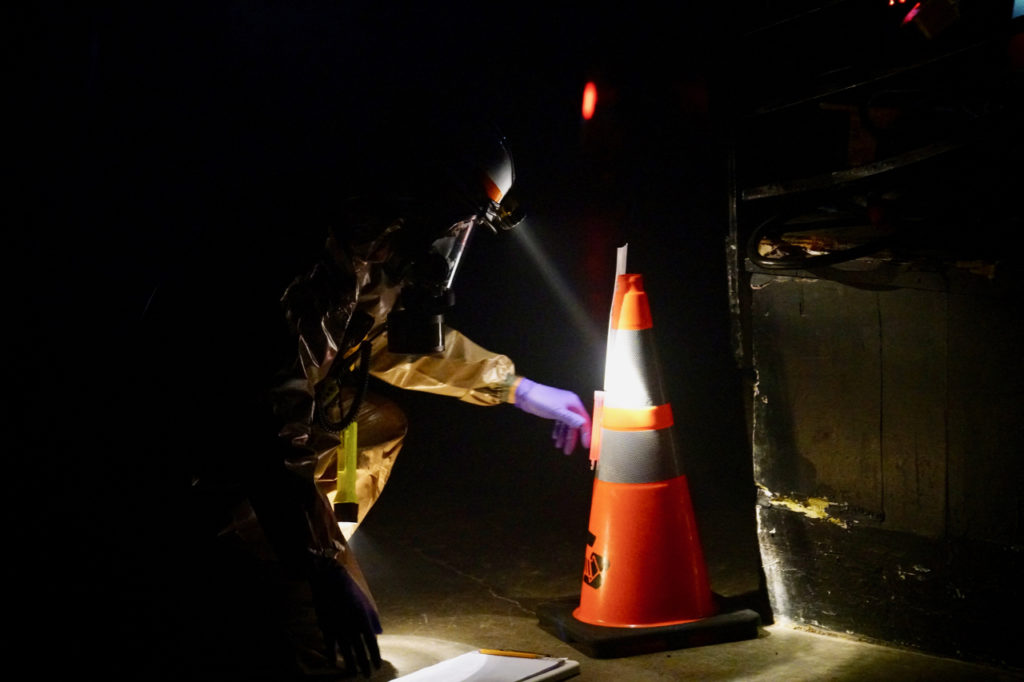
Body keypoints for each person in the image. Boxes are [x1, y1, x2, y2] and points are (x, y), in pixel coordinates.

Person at [138, 120, 592, 679]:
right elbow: (268, 436)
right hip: (207, 478)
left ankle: (313, 539)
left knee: (373, 425)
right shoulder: (300, 266)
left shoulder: (364, 246)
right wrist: (322, 569)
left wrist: (515, 389)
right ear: (421, 197)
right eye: (461, 216)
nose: (457, 234)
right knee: (328, 661)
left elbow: (378, 339)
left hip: (265, 465)